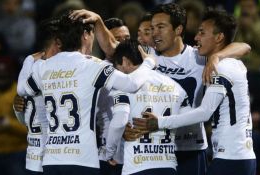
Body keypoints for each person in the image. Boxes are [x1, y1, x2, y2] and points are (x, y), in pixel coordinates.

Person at [17, 12, 156, 175]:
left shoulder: (43, 67)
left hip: (51, 160)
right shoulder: (92, 66)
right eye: (92, 34)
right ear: (85, 35)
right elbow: (132, 84)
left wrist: (29, 60)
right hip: (82, 159)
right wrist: (148, 62)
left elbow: (22, 90)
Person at [133, 8, 257, 175]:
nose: (196, 37)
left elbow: (204, 112)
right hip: (233, 154)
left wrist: (160, 122)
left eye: (201, 32)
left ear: (177, 30)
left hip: (220, 154)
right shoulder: (231, 64)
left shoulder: (214, 64)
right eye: (152, 28)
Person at [106, 39, 190, 175]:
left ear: (125, 61)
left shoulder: (123, 86)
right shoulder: (176, 87)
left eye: (117, 66)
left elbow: (119, 121)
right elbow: (189, 120)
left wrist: (110, 152)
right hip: (168, 165)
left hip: (137, 166)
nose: (118, 72)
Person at [13, 18, 61, 175]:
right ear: (57, 42)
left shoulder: (31, 65)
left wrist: (28, 60)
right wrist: (18, 107)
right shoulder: (50, 69)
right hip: (51, 155)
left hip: (37, 156)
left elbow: (22, 116)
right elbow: (23, 117)